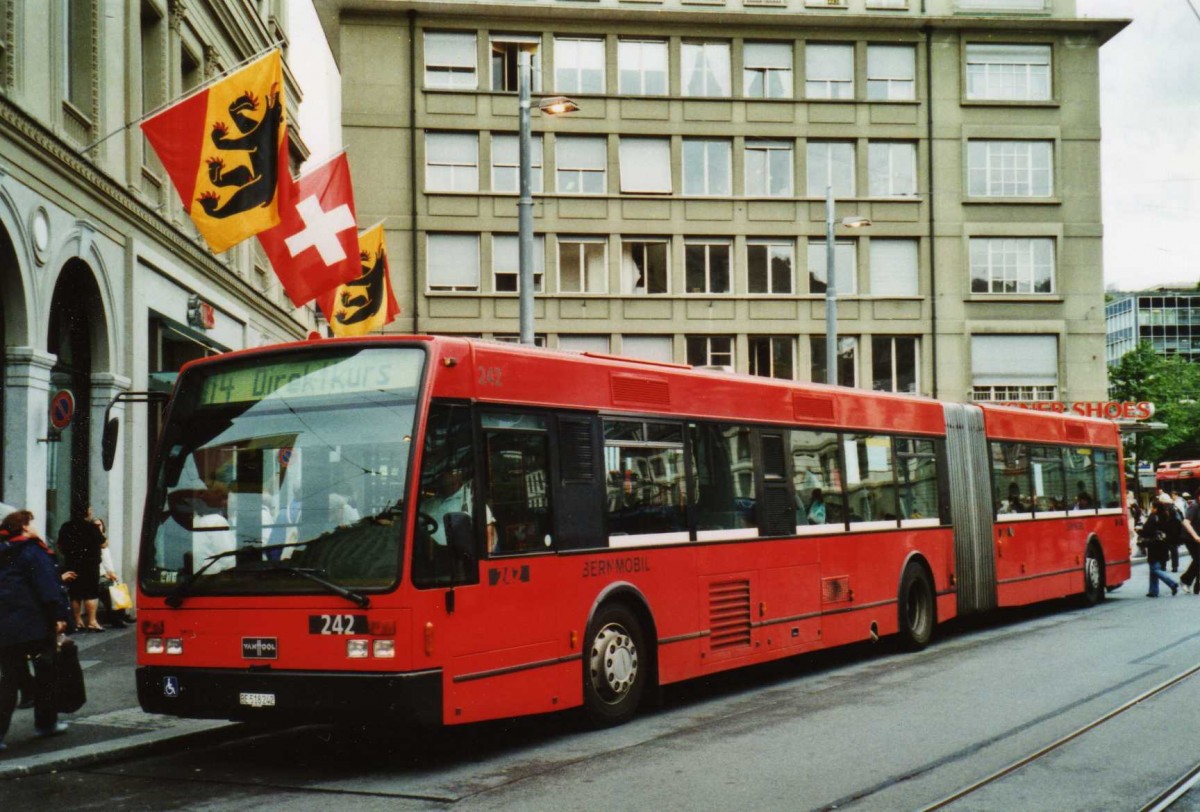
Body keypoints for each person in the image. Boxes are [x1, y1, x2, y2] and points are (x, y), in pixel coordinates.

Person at [0, 510, 71, 750]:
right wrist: (59, 616)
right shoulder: (33, 551)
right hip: (35, 623)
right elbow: (48, 587)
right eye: (33, 523)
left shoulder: (3, 551)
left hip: (5, 627)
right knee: (46, 673)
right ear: (25, 527)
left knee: (9, 680)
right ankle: (46, 723)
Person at [57, 506, 107, 632]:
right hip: (90, 565)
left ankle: (78, 621)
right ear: (87, 512)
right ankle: (92, 621)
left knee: (75, 594)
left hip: (72, 564)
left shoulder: (66, 527)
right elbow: (103, 543)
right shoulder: (92, 527)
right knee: (91, 593)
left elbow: (60, 545)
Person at [421, 468, 495, 553]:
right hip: (427, 553)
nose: (440, 475)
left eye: (446, 471)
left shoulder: (470, 501)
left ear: (456, 476)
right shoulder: (429, 503)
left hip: (457, 555)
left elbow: (489, 533)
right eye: (439, 472)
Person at [1140, 494, 1182, 598]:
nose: (1151, 509)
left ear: (1155, 508)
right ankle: (1153, 591)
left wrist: (1139, 531)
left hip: (1154, 545)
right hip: (1163, 545)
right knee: (1154, 568)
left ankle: (1172, 583)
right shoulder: (1165, 516)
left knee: (1154, 568)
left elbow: (1147, 531)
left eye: (1152, 507)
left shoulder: (1153, 517)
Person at [1179, 493, 1200, 594]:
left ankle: (1193, 583)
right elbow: (1186, 522)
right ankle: (1185, 580)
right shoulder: (1194, 507)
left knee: (1198, 560)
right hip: (1189, 538)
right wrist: (1195, 536)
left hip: (1197, 537)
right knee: (1198, 559)